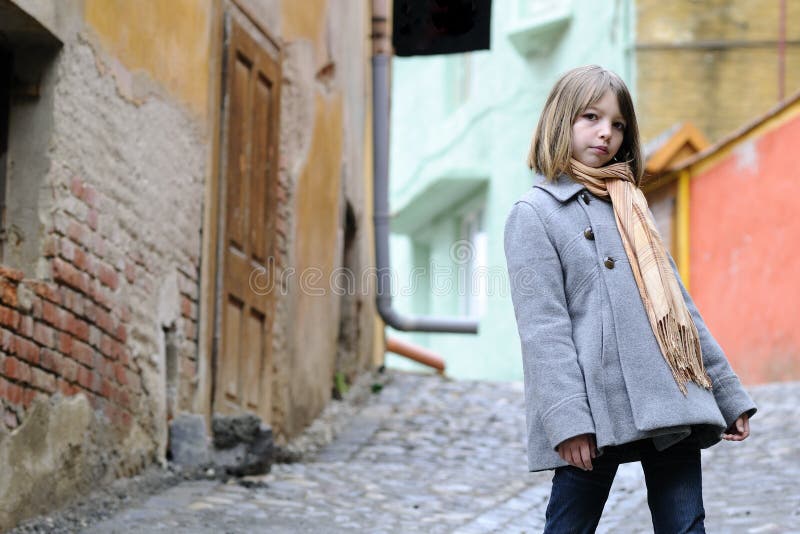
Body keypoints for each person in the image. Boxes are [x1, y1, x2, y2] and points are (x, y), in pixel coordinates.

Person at [503, 65, 757, 533]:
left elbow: (679, 307)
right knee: (569, 527)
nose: (606, 133)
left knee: (686, 526)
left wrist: (726, 394)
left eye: (618, 124)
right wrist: (567, 421)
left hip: (671, 397)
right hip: (596, 414)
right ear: (562, 121)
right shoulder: (533, 214)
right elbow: (544, 330)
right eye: (591, 117)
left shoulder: (630, 203)